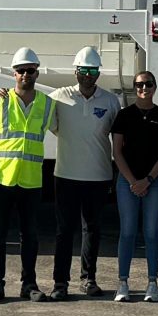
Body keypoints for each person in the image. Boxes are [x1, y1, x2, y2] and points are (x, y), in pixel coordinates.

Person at [0, 48, 53, 303]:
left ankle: (29, 285)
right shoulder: (0, 100)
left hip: (31, 180)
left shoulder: (47, 102)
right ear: (14, 73)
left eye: (30, 70)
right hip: (1, 178)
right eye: (21, 71)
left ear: (37, 73)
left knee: (29, 236)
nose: (25, 75)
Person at [46, 46, 122, 298]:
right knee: (64, 230)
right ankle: (60, 283)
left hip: (98, 176)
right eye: (83, 70)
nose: (88, 75)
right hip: (66, 174)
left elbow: (119, 138)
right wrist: (4, 94)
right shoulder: (58, 97)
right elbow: (33, 107)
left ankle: (89, 279)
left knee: (92, 229)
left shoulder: (111, 101)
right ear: (75, 71)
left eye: (92, 70)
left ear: (98, 73)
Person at [109, 70, 158, 301]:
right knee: (127, 232)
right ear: (134, 88)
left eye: (148, 84)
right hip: (127, 182)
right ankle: (123, 283)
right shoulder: (124, 115)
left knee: (151, 232)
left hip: (154, 183)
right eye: (139, 85)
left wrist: (147, 180)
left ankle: (152, 284)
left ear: (155, 87)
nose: (144, 88)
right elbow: (117, 151)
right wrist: (133, 182)